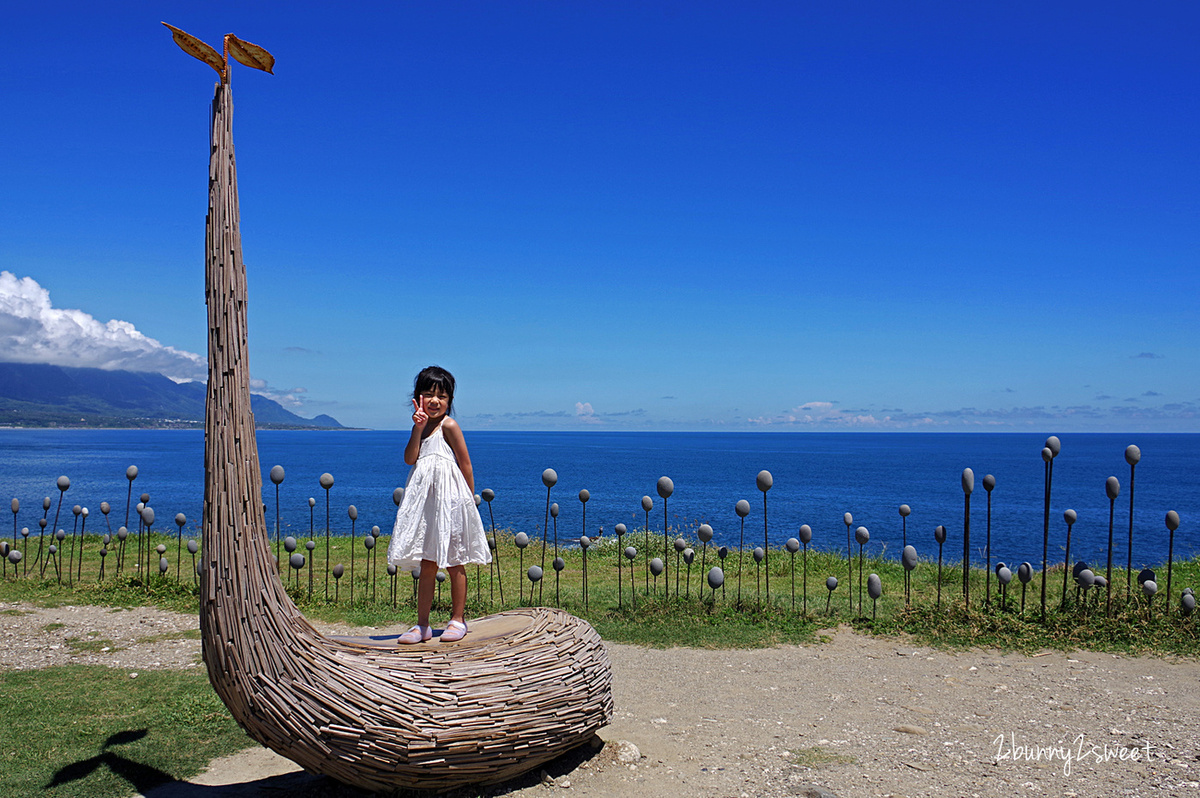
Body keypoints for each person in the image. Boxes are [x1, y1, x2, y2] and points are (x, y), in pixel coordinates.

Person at [388, 366, 491, 644]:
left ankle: (458, 619)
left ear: (450, 401)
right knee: (428, 562)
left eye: (441, 396)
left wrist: (469, 503)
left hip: (452, 503)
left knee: (455, 560)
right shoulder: (420, 426)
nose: (434, 401)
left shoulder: (449, 426)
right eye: (428, 394)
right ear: (417, 397)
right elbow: (410, 459)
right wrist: (417, 428)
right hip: (427, 505)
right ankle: (422, 624)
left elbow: (465, 463)